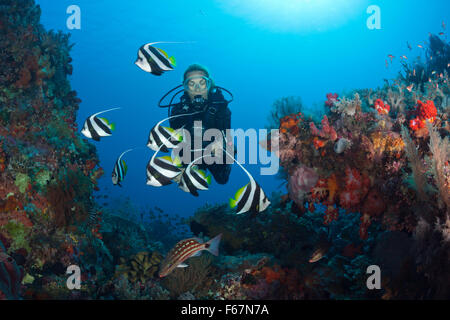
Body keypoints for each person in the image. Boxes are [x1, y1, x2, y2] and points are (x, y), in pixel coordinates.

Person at [168, 64, 232, 184]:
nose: (197, 88)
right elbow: (176, 144)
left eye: (202, 83)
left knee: (222, 179)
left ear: (209, 85)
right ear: (185, 87)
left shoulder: (221, 108)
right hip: (190, 153)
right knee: (186, 181)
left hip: (214, 153)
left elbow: (227, 136)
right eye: (191, 84)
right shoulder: (178, 111)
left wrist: (223, 146)